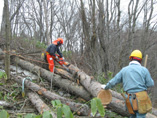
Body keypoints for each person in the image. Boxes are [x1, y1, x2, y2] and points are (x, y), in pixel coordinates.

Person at [101, 50, 154, 118]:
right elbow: (150, 84)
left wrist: (106, 87)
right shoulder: (144, 70)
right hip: (141, 99)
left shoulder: (124, 70)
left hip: (129, 99)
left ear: (130, 58)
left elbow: (114, 81)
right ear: (140, 60)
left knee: (132, 115)